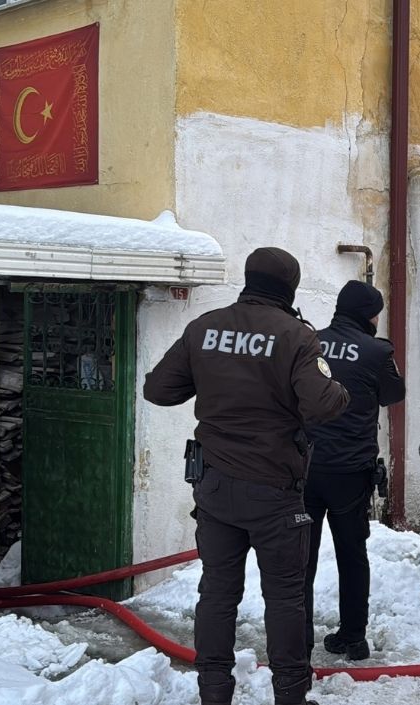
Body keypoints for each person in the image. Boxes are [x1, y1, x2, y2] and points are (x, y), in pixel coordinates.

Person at [143, 247, 349, 705]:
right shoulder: (296, 336)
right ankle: (290, 695)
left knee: (217, 594)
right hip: (275, 491)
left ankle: (214, 694)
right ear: (290, 288)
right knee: (285, 598)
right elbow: (321, 404)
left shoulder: (204, 328)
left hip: (214, 486)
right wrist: (339, 389)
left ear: (249, 278)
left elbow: (158, 389)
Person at [304, 280, 405, 661]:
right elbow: (394, 394)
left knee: (300, 559)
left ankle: (297, 640)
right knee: (352, 555)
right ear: (369, 315)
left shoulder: (310, 341)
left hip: (305, 468)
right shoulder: (377, 351)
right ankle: (353, 637)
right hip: (350, 471)